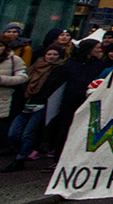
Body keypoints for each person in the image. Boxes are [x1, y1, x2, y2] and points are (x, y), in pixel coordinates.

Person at [2, 44, 66, 172]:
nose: (51, 57)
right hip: (25, 103)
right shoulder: (35, 66)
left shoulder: (59, 70)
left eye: (55, 55)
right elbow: (24, 81)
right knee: (13, 133)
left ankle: (20, 159)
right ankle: (22, 151)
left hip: (42, 105)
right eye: (49, 54)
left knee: (28, 134)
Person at [0, 39, 28, 154]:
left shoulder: (14, 60)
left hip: (6, 98)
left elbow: (23, 77)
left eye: (0, 45)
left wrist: (3, 80)